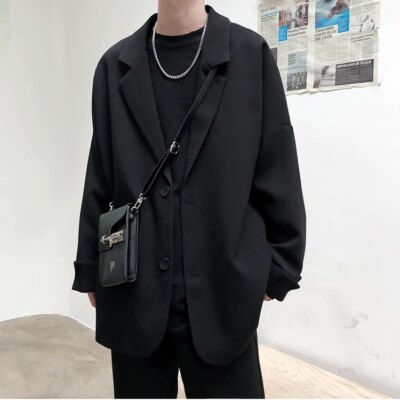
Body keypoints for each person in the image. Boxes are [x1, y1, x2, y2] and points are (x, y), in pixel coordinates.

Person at [72, 1, 306, 398]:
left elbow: (277, 164)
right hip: (134, 292)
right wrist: (90, 266)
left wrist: (280, 266)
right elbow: (101, 172)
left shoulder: (249, 55)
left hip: (223, 294)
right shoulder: (115, 66)